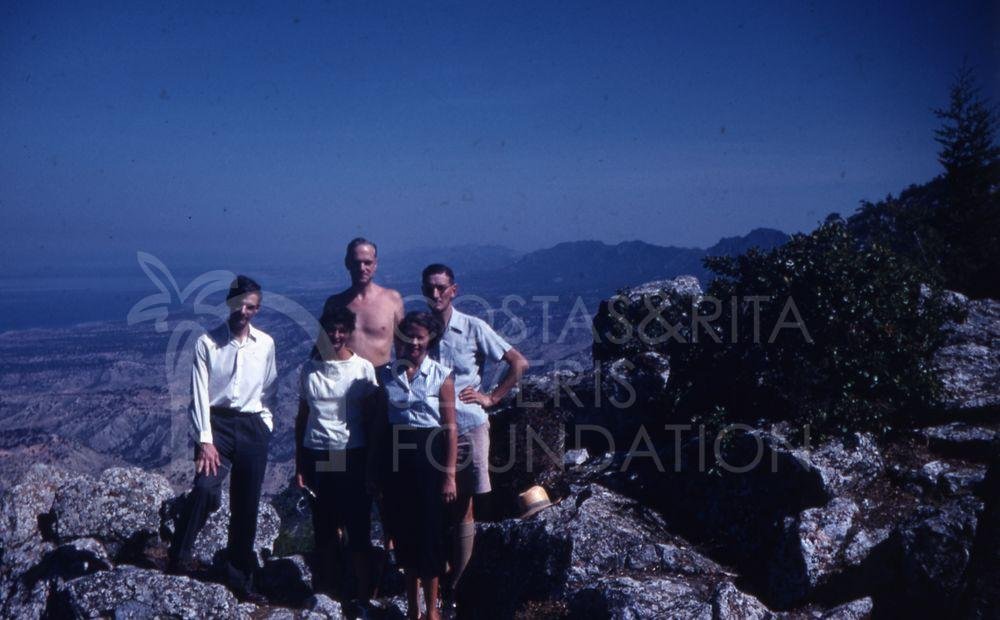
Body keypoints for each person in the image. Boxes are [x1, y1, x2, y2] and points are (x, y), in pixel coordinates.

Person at [421, 264, 529, 602]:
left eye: (441, 288)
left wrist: (492, 397)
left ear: (454, 290)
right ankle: (435, 578)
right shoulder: (418, 330)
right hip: (428, 427)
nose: (435, 294)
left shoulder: (472, 327)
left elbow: (518, 362)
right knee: (431, 504)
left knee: (464, 504)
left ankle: (460, 588)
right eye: (429, 288)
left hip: (467, 423)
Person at [168, 275, 277, 599]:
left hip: (252, 426)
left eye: (251, 306)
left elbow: (270, 387)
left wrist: (266, 423)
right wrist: (205, 440)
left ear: (257, 309)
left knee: (247, 506)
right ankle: (179, 558)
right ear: (229, 303)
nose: (244, 311)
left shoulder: (266, 344)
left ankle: (238, 576)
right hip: (216, 426)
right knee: (204, 488)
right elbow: (198, 393)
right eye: (240, 304)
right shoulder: (207, 343)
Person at [295, 306, 379, 604]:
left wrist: (372, 465)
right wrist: (300, 463)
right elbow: (303, 417)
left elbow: (371, 421)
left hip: (351, 452)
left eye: (343, 330)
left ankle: (363, 591)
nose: (337, 335)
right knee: (325, 524)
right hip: (320, 452)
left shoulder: (362, 369)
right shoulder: (310, 369)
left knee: (357, 524)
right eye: (331, 330)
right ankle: (329, 590)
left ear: (350, 332)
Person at [377, 311, 457, 620]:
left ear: (430, 339)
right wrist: (376, 470)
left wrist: (449, 476)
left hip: (430, 458)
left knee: (430, 533)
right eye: (408, 335)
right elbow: (379, 426)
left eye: (420, 337)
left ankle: (433, 609)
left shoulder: (441, 375)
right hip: (397, 459)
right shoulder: (385, 375)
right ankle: (412, 609)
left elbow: (450, 427)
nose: (414, 342)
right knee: (405, 531)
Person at [323, 238, 405, 368]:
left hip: (382, 379)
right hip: (345, 378)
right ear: (347, 264)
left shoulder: (392, 300)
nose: (362, 268)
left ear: (375, 264)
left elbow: (403, 347)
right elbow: (323, 348)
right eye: (357, 263)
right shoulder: (335, 304)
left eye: (367, 262)